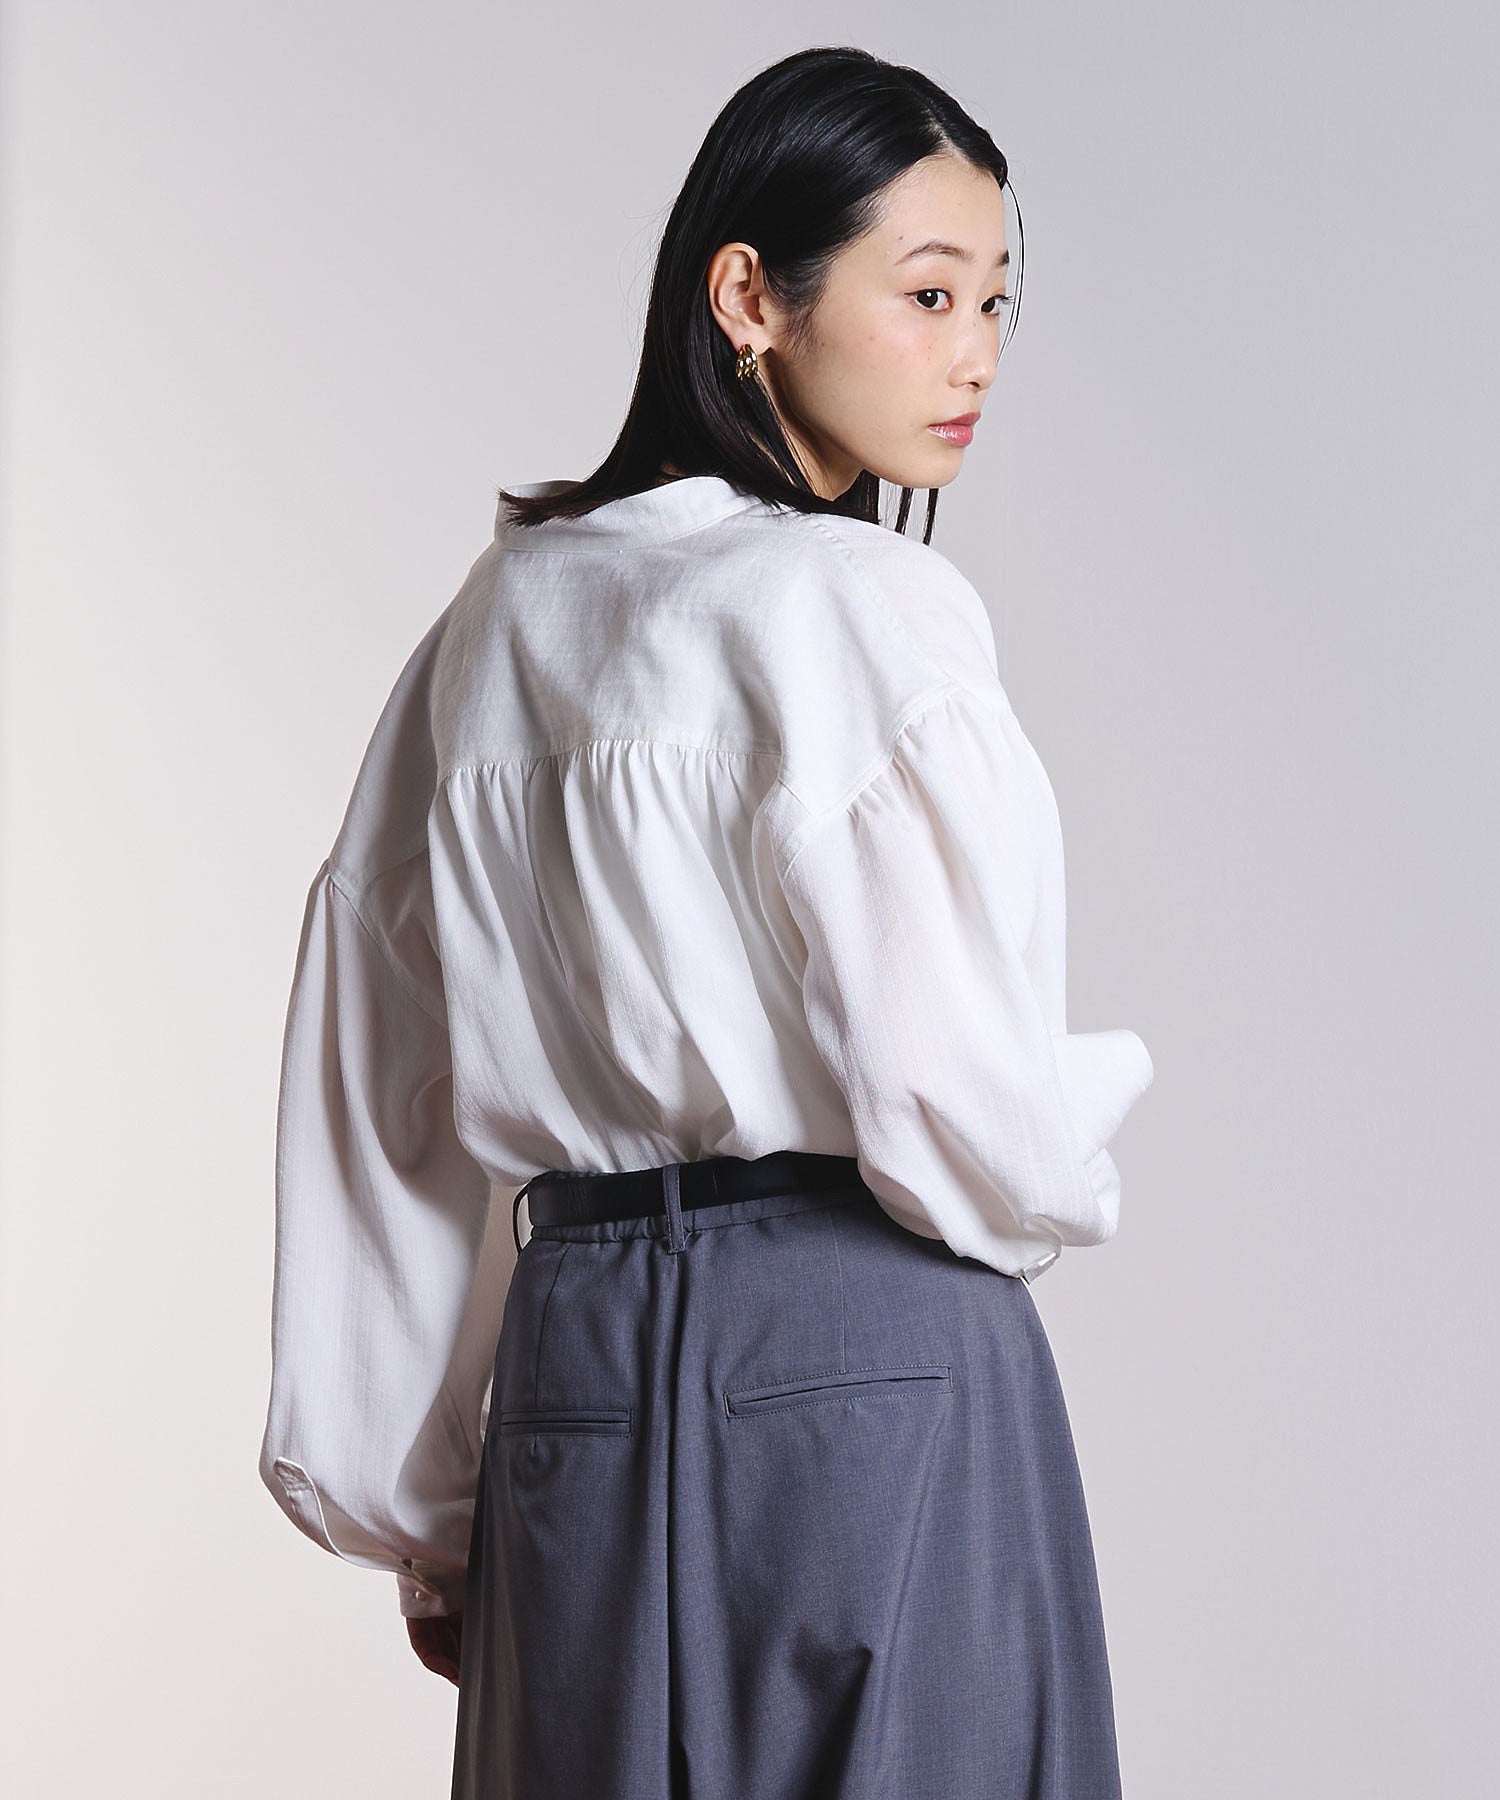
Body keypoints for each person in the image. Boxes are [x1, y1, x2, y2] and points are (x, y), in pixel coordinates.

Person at [258, 43, 1155, 1800]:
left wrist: (426, 1515)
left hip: (574, 1372)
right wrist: (1065, 1147)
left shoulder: (500, 619)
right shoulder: (872, 605)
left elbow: (378, 1088)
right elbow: (974, 1125)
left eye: (995, 302)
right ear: (749, 295)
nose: (976, 352)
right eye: (927, 292)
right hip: (872, 1353)